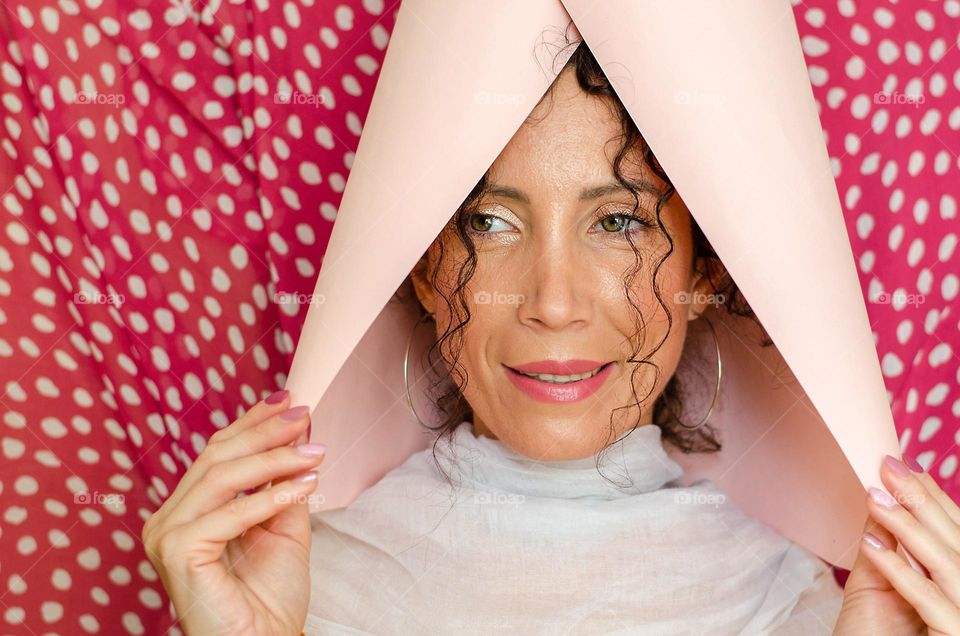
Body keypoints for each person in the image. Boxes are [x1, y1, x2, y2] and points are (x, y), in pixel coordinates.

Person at [142, 42, 960, 635]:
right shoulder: (292, 587)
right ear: (425, 270)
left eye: (618, 221)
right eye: (490, 222)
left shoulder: (800, 605)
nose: (554, 303)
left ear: (702, 272)